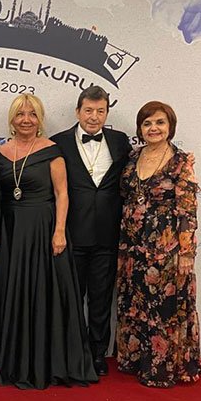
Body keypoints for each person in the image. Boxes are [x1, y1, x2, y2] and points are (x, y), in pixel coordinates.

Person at [0, 94, 98, 389]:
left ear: (40, 119)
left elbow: (62, 194)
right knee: (10, 291)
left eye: (32, 114)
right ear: (12, 118)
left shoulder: (52, 151)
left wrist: (59, 231)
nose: (26, 120)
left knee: (44, 294)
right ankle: (14, 358)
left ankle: (45, 361)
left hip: (43, 230)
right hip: (9, 233)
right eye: (20, 114)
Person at [116, 100, 201, 387]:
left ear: (170, 126)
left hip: (167, 248)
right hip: (132, 246)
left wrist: (186, 252)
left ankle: (162, 369)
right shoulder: (132, 157)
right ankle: (135, 361)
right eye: (147, 123)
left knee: (164, 307)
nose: (153, 128)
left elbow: (188, 209)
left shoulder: (181, 161)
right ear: (140, 129)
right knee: (136, 302)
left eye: (160, 122)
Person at [50, 85, 131, 376]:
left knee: (100, 300)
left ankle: (98, 353)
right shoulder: (58, 143)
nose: (94, 117)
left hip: (108, 237)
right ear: (77, 111)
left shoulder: (120, 142)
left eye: (100, 111)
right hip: (71, 236)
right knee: (70, 299)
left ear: (107, 113)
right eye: (88, 110)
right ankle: (73, 354)